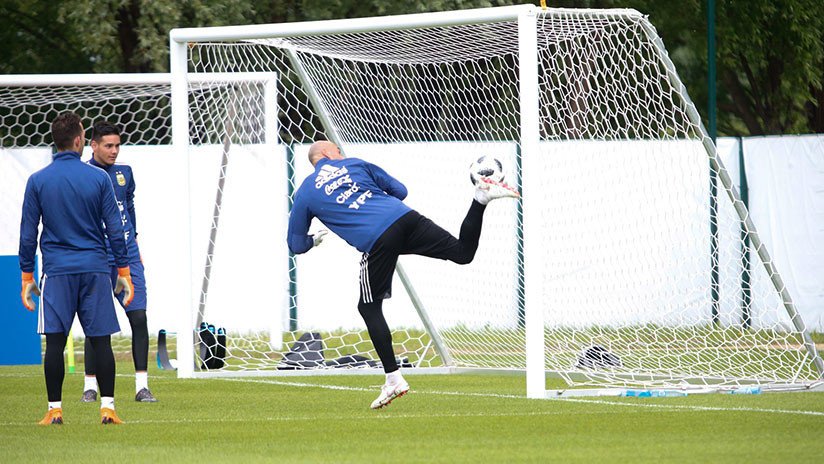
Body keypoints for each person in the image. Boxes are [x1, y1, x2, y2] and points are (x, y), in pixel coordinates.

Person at [287, 140, 519, 409]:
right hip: (404, 219)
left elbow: (295, 245)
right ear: (328, 154)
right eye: (337, 151)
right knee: (461, 252)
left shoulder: (304, 192)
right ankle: (480, 199)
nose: (341, 154)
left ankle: (394, 379)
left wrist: (314, 239)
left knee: (368, 307)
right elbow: (400, 190)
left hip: (377, 239)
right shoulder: (355, 164)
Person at [19, 112, 134, 425]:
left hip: (56, 272)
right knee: (101, 341)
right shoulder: (98, 178)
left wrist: (27, 275)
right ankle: (108, 408)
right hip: (95, 269)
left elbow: (28, 233)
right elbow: (115, 229)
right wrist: (123, 271)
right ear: (80, 140)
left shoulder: (38, 180)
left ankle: (55, 410)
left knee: (55, 342)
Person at [81, 120, 157, 403]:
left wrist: (133, 237)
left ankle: (142, 387)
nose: (114, 151)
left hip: (127, 255)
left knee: (139, 317)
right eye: (108, 146)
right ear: (94, 145)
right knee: (96, 324)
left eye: (117, 145)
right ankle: (90, 387)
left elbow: (130, 205)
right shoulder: (84, 174)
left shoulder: (125, 173)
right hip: (98, 258)